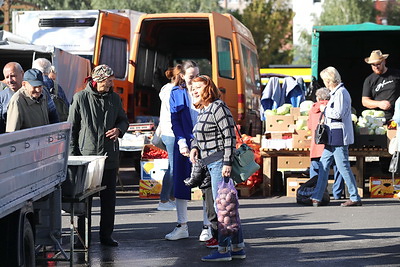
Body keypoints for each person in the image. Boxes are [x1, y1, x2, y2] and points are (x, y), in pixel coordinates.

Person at [68, 64, 129, 247]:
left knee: (108, 201)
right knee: (83, 202)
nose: (111, 84)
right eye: (108, 81)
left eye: (111, 81)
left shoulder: (115, 99)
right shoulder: (80, 98)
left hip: (109, 158)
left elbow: (123, 119)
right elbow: (72, 129)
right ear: (97, 81)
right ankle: (81, 238)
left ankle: (106, 236)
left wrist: (120, 130)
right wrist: (73, 157)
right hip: (86, 159)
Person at [190, 75, 246, 262]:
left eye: (198, 87)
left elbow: (229, 136)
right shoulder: (204, 110)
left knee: (222, 207)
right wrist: (195, 147)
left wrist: (227, 162)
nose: (194, 90)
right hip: (210, 163)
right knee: (227, 206)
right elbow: (198, 135)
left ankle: (223, 250)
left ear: (208, 89)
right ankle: (237, 248)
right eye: (193, 87)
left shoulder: (218, 107)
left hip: (219, 163)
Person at [165, 60, 212, 241]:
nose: (194, 81)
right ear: (182, 76)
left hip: (205, 145)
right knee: (181, 183)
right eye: (191, 76)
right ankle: (182, 225)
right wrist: (182, 142)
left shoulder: (206, 91)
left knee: (206, 186)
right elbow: (175, 120)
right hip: (184, 144)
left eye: (197, 76)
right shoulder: (176, 93)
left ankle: (208, 226)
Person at [311, 66, 362, 207]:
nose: (324, 83)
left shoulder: (341, 93)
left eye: (324, 80)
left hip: (338, 134)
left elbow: (337, 114)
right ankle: (318, 196)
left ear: (329, 80)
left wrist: (324, 109)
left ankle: (354, 196)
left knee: (342, 165)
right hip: (332, 133)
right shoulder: (336, 93)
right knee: (324, 164)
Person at [308, 87, 345, 199]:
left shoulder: (313, 109)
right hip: (330, 143)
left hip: (316, 145)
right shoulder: (332, 107)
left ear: (318, 98)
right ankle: (337, 193)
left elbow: (310, 126)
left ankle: (317, 192)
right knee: (338, 168)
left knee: (315, 168)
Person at [157, 67, 177, 211]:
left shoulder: (166, 90)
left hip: (168, 132)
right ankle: (164, 200)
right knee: (172, 168)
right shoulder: (171, 91)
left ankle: (169, 198)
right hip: (171, 132)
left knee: (172, 167)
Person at [362, 50, 400, 122]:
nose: (376, 67)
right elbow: (364, 101)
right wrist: (379, 104)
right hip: (379, 119)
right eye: (373, 65)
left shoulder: (396, 74)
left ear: (384, 62)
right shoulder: (369, 80)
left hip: (397, 117)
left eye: (378, 64)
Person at [0, 62, 24, 133]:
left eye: (13, 76)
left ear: (22, 74)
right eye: (7, 77)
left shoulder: (34, 92)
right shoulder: (2, 97)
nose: (10, 80)